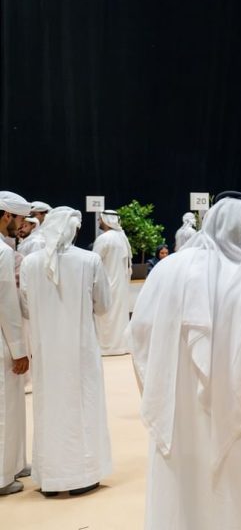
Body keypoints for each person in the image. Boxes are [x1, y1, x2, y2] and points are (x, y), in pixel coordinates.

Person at [128, 193, 241, 530]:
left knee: (180, 506)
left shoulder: (166, 270)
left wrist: (163, 391)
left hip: (176, 423)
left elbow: (139, 339)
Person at [19, 207, 113, 496]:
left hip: (46, 351)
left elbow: (26, 308)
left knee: (49, 408)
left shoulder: (30, 263)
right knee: (82, 405)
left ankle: (51, 477)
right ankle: (81, 476)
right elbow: (103, 305)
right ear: (73, 229)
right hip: (80, 350)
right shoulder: (89, 260)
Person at [0, 191, 31, 496]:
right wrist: (19, 350)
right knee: (4, 407)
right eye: (19, 219)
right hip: (3, 340)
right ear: (6, 215)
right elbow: (7, 304)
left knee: (14, 404)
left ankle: (16, 461)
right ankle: (2, 475)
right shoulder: (3, 252)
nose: (21, 226)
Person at [93, 210, 132, 355]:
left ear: (106, 220)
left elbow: (94, 262)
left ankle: (106, 347)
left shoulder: (104, 238)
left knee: (105, 317)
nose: (99, 221)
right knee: (119, 317)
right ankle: (120, 346)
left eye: (100, 219)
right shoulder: (123, 238)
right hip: (121, 285)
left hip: (106, 284)